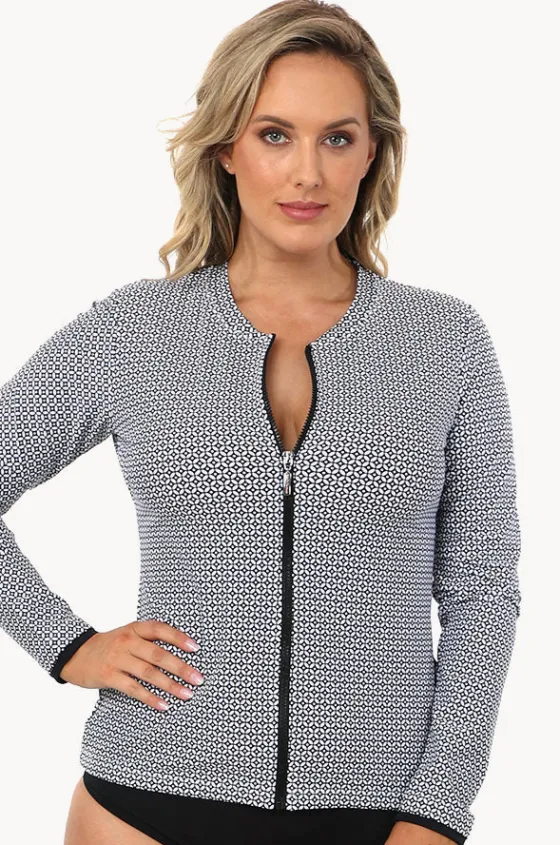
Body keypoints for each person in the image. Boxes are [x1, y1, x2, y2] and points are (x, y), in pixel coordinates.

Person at [0, 2, 521, 845]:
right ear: (226, 148)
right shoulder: (134, 331)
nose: (307, 173)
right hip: (144, 799)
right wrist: (68, 646)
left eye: (337, 138)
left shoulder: (445, 342)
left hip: (378, 810)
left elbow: (481, 593)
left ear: (373, 152)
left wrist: (437, 809)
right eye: (275, 134)